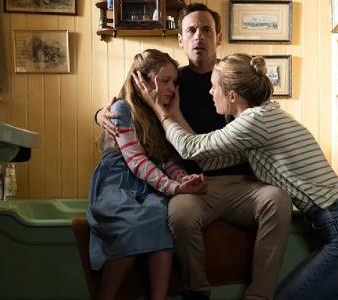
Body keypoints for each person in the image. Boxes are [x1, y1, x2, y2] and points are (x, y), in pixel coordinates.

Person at [135, 53, 338, 300]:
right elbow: (205, 159)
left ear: (232, 95)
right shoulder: (263, 119)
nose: (211, 94)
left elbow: (189, 146)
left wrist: (160, 110)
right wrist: (172, 114)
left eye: (214, 88)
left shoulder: (255, 121)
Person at [95, 4, 293, 300]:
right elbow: (130, 105)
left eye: (206, 30)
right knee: (179, 213)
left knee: (278, 199)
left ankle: (259, 296)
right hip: (196, 183)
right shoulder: (172, 81)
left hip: (244, 184)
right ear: (180, 40)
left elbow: (263, 119)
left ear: (219, 37)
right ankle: (196, 291)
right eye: (191, 30)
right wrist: (100, 113)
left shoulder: (235, 78)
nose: (198, 36)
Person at [87, 49, 207, 300]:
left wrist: (182, 177)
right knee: (134, 222)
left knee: (160, 216)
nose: (172, 88)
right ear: (141, 82)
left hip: (148, 184)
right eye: (165, 81)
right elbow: (138, 161)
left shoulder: (160, 115)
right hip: (118, 183)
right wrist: (174, 188)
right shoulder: (122, 109)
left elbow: (165, 159)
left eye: (174, 82)